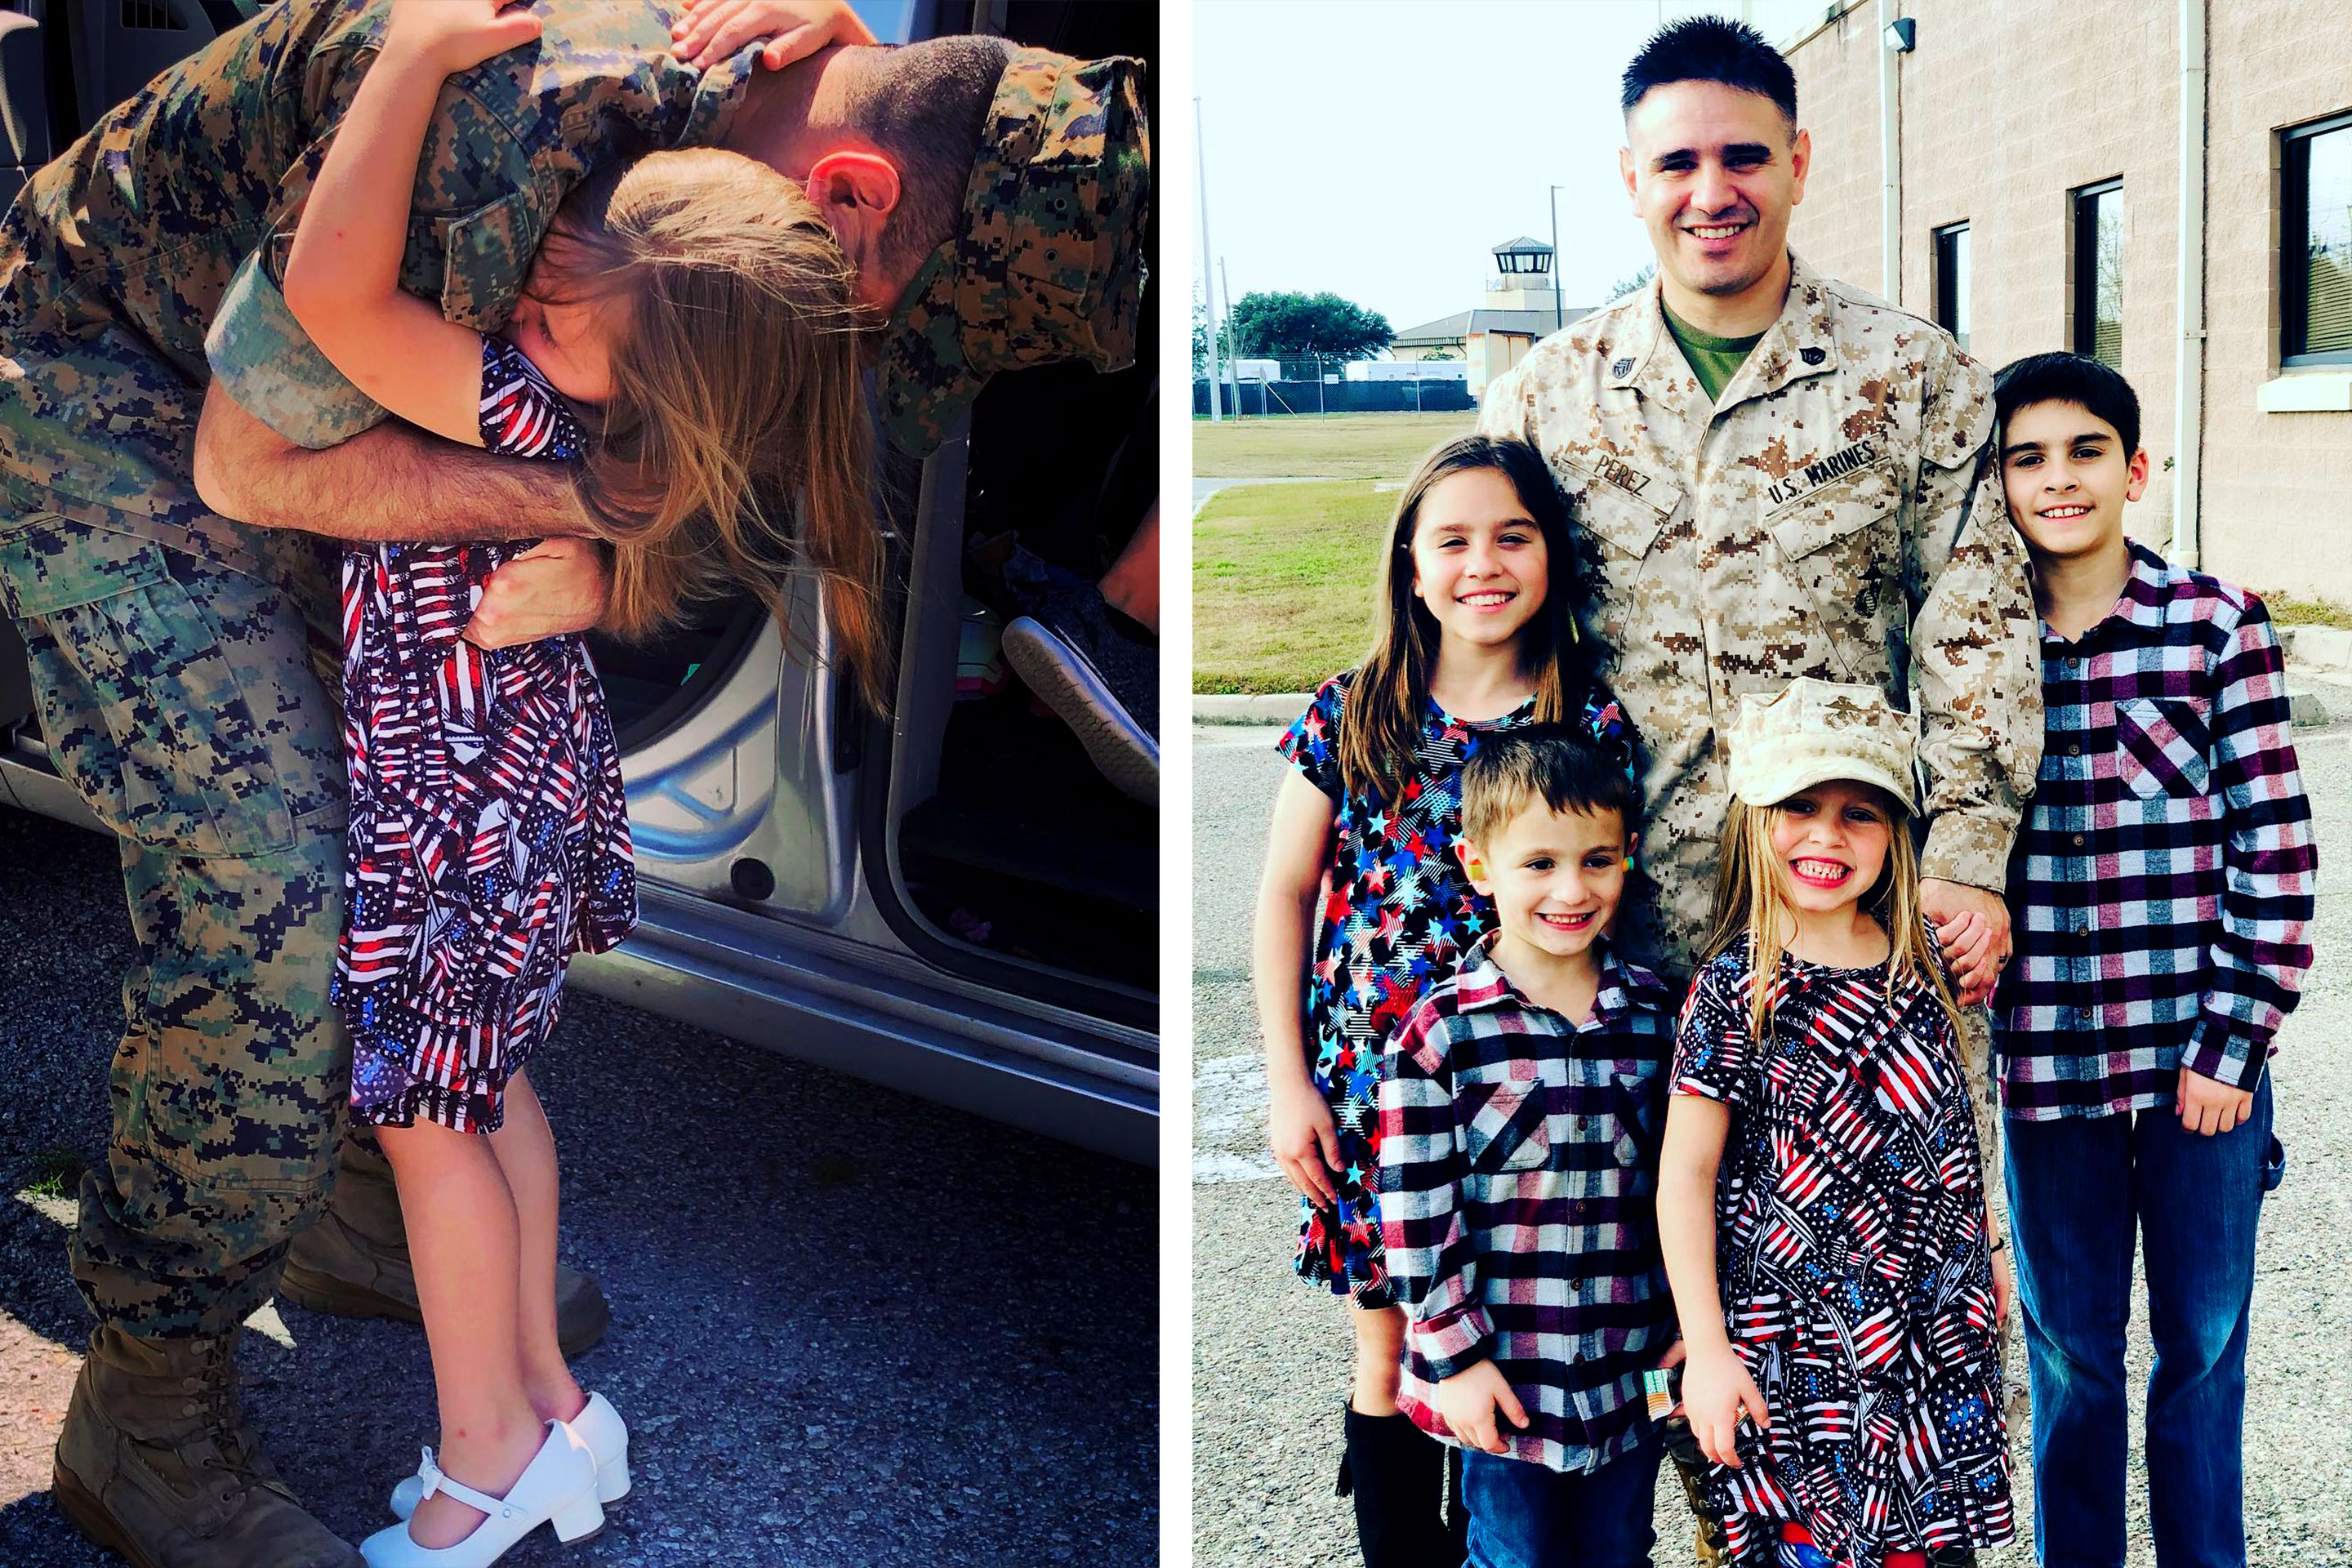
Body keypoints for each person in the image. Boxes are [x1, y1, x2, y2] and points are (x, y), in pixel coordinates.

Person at [0, 1, 1149, 1561]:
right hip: (115, 384)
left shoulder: (708, 248)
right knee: (276, 902)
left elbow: (704, 460)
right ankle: (146, 1405)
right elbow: (251, 469)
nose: (847, 347)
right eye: (881, 314)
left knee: (437, 1052)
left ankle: (365, 1211)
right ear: (853, 192)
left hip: (376, 536)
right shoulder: (531, 152)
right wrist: (606, 502)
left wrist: (613, 545)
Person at [268, 3, 884, 1560]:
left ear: (643, 368)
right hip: (522, 799)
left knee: (422, 1113)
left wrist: (407, 59)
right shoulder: (633, 450)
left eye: (554, 315)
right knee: (494, 1085)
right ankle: (547, 1405)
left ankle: (483, 1463)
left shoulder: (521, 410)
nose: (521, 316)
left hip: (455, 810)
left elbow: (328, 293)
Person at [1472, 20, 2038, 1555]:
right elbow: (1482, 631)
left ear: (1798, 161)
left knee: (1856, 1357)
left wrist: (1969, 856)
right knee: (1613, 1335)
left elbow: (1975, 618)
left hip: (1842, 940)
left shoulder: (1910, 376)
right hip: (1616, 934)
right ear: (1628, 180)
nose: (1710, 191)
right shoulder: (1556, 394)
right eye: (1677, 163)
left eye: (1742, 157)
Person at [1254, 434, 1629, 1566]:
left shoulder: (1588, 720)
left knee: (1504, 1355)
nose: (1484, 563)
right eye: (1452, 540)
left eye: (1512, 536)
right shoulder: (1353, 711)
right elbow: (1283, 891)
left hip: (1530, 1114)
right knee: (1390, 1359)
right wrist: (1286, 1085)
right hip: (1374, 1107)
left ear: (1551, 558)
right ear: (1411, 566)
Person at [1988, 353, 2314, 1568]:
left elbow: (2274, 853)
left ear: (2135, 469)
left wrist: (2232, 1045)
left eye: (2084, 453)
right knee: (2069, 1353)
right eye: (2026, 457)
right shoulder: (1977, 644)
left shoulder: (2213, 626)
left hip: (2199, 1071)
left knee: (2204, 1342)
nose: (2057, 480)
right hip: (2046, 1072)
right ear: (1999, 480)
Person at [1657, 679, 2015, 1568]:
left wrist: (1991, 1249)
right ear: (1754, 817)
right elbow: (1685, 1177)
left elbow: (1951, 1125)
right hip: (1794, 1349)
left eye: (1861, 812)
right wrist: (1705, 1348)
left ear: (1896, 831)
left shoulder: (1926, 962)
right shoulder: (1735, 990)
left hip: (1929, 1331)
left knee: (1929, 1550)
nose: (1827, 835)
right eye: (1800, 806)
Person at [1377, 724, 1679, 1568]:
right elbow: (1416, 1222)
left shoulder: (1657, 1019)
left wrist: (1691, 1330)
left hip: (1636, 1376)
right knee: (1515, 1554)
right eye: (1539, 864)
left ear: (1628, 857)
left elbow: (1687, 1190)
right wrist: (1458, 1360)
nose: (1571, 889)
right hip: (1503, 1383)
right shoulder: (1442, 1034)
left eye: (1596, 859)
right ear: (1481, 867)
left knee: (1622, 1548)